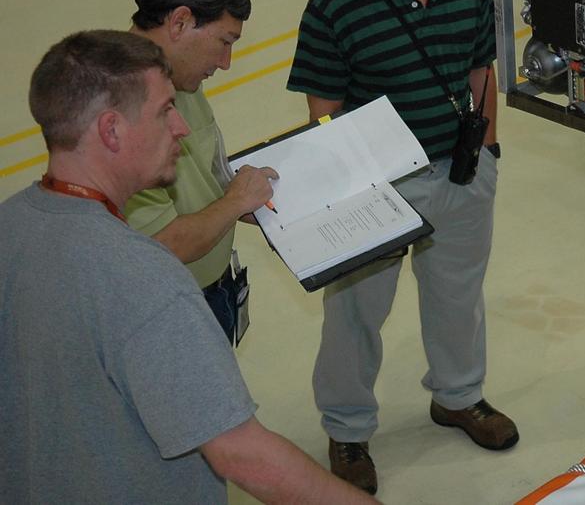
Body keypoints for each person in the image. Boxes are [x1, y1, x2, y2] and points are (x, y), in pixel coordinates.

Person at [0, 30, 373, 504]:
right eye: (164, 111)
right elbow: (243, 454)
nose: (180, 127)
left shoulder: (10, 226)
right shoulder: (145, 278)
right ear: (112, 130)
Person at [287, 0, 515, 494]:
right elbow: (324, 109)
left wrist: (487, 153)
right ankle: (348, 429)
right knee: (355, 313)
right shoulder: (336, 2)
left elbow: (481, 70)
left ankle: (458, 396)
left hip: (461, 172)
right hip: (378, 188)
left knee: (458, 296)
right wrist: (350, 193)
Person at [125, 0, 277, 344]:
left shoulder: (181, 79)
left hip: (211, 290)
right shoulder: (125, 108)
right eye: (224, 42)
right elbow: (165, 243)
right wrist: (236, 202)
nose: (225, 63)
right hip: (167, 311)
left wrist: (247, 198)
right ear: (180, 22)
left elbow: (207, 172)